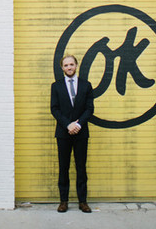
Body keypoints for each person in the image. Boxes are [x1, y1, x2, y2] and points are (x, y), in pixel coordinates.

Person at [50, 54, 94, 214]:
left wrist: (78, 124)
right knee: (64, 167)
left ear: (76, 66)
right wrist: (68, 124)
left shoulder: (86, 85)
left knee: (81, 167)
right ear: (62, 68)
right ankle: (63, 201)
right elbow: (54, 108)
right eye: (66, 65)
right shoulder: (56, 86)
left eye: (71, 64)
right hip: (63, 132)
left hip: (81, 132)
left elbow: (89, 108)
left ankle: (83, 201)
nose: (69, 67)